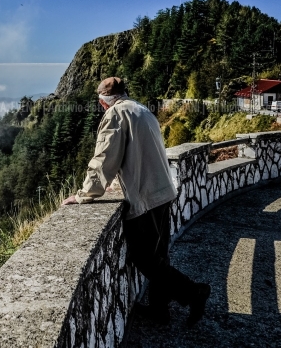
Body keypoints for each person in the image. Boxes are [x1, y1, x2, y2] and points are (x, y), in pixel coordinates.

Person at [62, 76, 211, 326]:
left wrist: (83, 195)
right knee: (159, 258)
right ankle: (159, 309)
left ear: (103, 102)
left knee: (145, 259)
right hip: (163, 191)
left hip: (146, 195)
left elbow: (104, 160)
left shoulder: (115, 115)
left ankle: (194, 293)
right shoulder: (142, 110)